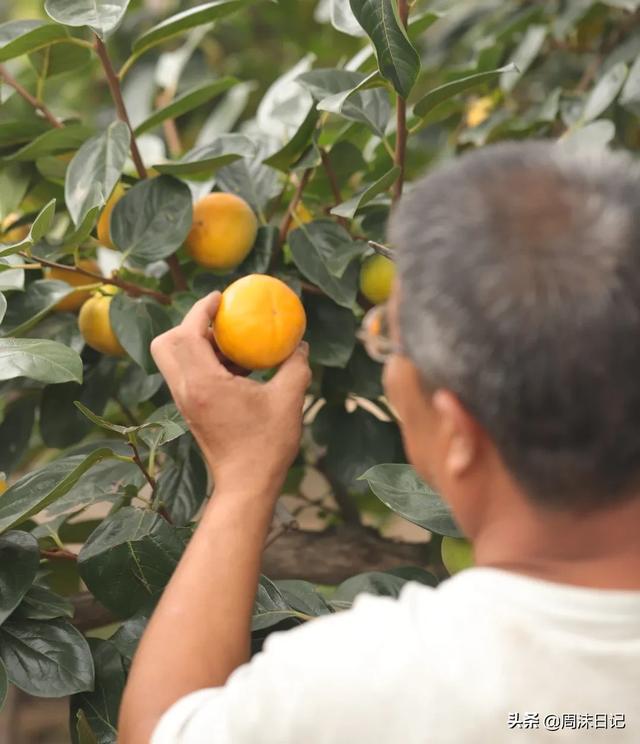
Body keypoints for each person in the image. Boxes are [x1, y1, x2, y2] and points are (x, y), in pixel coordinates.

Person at [118, 141, 640, 743]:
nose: (387, 360)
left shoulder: (374, 687)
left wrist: (243, 480)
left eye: (390, 337)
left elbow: (161, 730)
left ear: (460, 432)